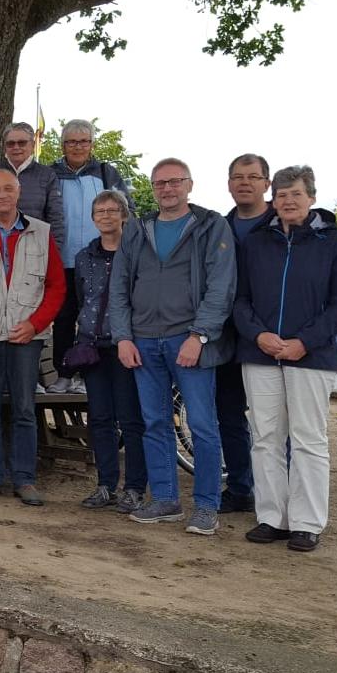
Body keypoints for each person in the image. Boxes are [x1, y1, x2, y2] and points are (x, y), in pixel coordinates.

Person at [233, 166, 337, 552]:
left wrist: (304, 341)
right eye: (282, 195)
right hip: (261, 354)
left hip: (313, 356)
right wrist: (259, 335)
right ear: (273, 200)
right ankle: (273, 517)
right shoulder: (256, 243)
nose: (288, 201)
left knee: (308, 439)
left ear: (312, 198)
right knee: (265, 438)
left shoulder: (335, 243)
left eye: (296, 194)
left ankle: (306, 523)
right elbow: (240, 299)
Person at [109, 158, 235, 536]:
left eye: (175, 181)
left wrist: (200, 336)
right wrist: (123, 336)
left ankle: (207, 505)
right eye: (160, 183)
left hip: (189, 339)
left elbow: (221, 285)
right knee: (155, 423)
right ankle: (165, 499)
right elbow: (120, 285)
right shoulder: (138, 229)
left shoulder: (211, 225)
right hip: (144, 340)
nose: (167, 189)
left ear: (189, 185)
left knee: (202, 425)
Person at [0, 170, 64, 506]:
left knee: (24, 409)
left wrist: (35, 324)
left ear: (18, 192)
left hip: (27, 336)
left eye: (8, 188)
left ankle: (25, 479)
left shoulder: (41, 232)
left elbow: (56, 286)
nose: (2, 195)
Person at [74, 191, 147, 514]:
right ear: (93, 218)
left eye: (112, 210)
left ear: (124, 215)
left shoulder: (138, 254)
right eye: (99, 211)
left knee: (131, 420)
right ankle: (106, 484)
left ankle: (134, 488)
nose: (105, 216)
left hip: (126, 346)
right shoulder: (84, 257)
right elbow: (81, 299)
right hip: (93, 346)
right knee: (100, 418)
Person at [49, 120, 134, 394]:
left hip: (102, 259)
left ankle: (89, 374)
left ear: (92, 144)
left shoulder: (107, 173)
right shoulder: (52, 174)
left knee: (97, 317)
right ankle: (64, 373)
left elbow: (128, 210)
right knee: (64, 318)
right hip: (63, 260)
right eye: (72, 142)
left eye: (83, 141)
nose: (78, 147)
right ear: (63, 145)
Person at [217, 153, 277, 513]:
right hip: (227, 337)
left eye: (253, 177)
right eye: (238, 177)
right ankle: (240, 487)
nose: (245, 183)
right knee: (229, 415)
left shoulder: (281, 224)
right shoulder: (220, 228)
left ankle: (282, 494)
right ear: (228, 184)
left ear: (266, 184)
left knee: (274, 421)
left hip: (268, 336)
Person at [0, 122, 64, 249]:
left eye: (22, 143)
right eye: (11, 143)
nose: (16, 147)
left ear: (33, 145)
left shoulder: (46, 175)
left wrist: (54, 249)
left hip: (34, 246)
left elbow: (55, 217)